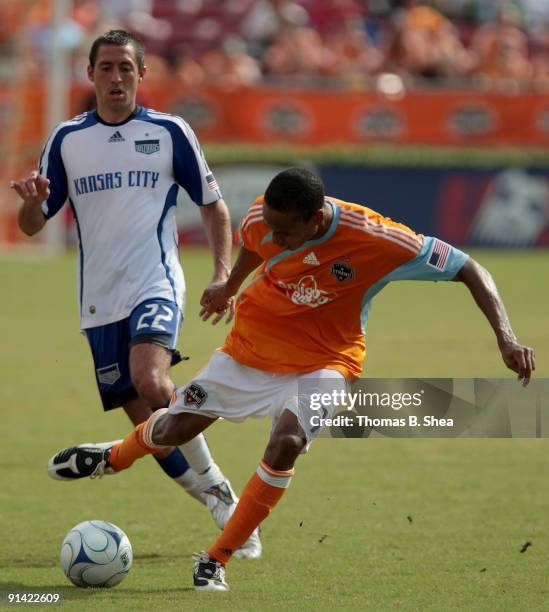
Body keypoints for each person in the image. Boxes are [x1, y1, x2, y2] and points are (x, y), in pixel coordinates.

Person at [48, 167, 535, 591]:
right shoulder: (265, 217)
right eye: (273, 229)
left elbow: (470, 267)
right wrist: (228, 288)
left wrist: (506, 338)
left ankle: (214, 560)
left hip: (327, 359)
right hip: (252, 347)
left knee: (286, 441)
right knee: (175, 427)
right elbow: (254, 246)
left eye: (287, 233)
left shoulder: (380, 239)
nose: (275, 238)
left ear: (315, 217)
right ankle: (111, 458)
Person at [10, 29, 260, 557]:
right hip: (98, 300)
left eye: (126, 67)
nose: (117, 77)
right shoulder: (66, 140)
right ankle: (214, 494)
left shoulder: (170, 132)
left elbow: (213, 205)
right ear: (91, 75)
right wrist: (32, 203)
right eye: (107, 68)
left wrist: (221, 274)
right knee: (148, 424)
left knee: (151, 381)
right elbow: (32, 225)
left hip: (156, 281)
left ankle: (222, 495)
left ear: (142, 75)